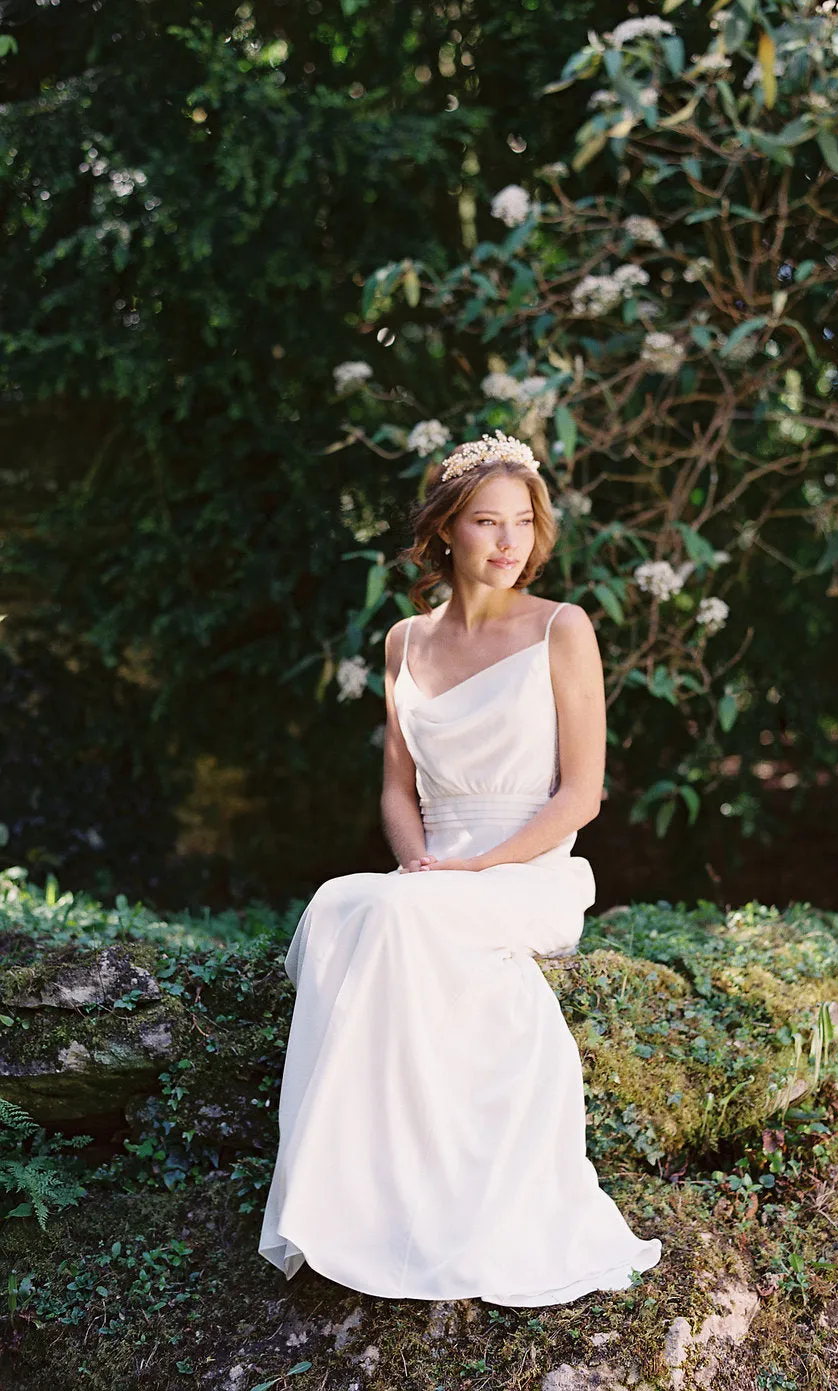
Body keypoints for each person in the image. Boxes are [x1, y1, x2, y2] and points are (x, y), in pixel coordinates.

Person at [258, 431, 663, 1306]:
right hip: (435, 868)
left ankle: (445, 1212)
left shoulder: (563, 628)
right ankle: (349, 1202)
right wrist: (420, 864)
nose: (509, 541)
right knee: (339, 905)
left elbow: (583, 792)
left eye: (522, 522)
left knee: (405, 917)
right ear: (446, 530)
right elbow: (397, 790)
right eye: (487, 521)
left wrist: (474, 869)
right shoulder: (406, 642)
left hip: (528, 867)